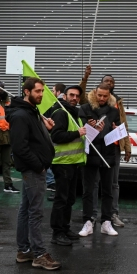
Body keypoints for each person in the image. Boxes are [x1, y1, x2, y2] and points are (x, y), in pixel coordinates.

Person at [6, 77, 60, 270]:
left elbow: (33, 139)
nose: (41, 95)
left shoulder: (31, 111)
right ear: (27, 92)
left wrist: (46, 130)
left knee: (25, 209)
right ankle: (38, 254)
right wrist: (38, 166)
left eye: (42, 91)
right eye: (37, 91)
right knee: (35, 212)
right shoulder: (21, 114)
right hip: (33, 170)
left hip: (35, 168)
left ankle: (24, 251)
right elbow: (20, 147)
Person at [78, 83, 120, 237]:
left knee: (108, 190)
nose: (102, 98)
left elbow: (120, 129)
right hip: (91, 152)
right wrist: (91, 128)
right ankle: (88, 221)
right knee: (88, 190)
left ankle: (106, 222)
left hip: (108, 153)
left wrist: (117, 131)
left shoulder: (114, 111)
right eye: (99, 95)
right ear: (95, 93)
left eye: (105, 96)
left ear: (109, 95)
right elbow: (80, 129)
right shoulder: (85, 108)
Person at [49, 85, 86, 246]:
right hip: (62, 163)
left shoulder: (73, 114)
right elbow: (57, 135)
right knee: (61, 199)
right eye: (71, 95)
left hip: (73, 163)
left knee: (69, 199)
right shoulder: (61, 113)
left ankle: (65, 228)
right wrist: (78, 133)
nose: (74, 98)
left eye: (77, 96)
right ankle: (57, 232)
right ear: (64, 96)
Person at [96, 75, 130, 228]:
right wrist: (85, 77)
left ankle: (113, 214)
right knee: (95, 182)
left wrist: (127, 147)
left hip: (114, 147)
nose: (109, 83)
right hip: (96, 147)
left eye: (112, 82)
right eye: (107, 81)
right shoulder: (95, 100)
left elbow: (124, 126)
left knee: (114, 183)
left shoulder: (118, 103)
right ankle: (92, 215)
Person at [45, 83, 66, 198]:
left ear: (58, 92)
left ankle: (52, 184)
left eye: (53, 91)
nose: (52, 93)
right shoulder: (62, 105)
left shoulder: (56, 106)